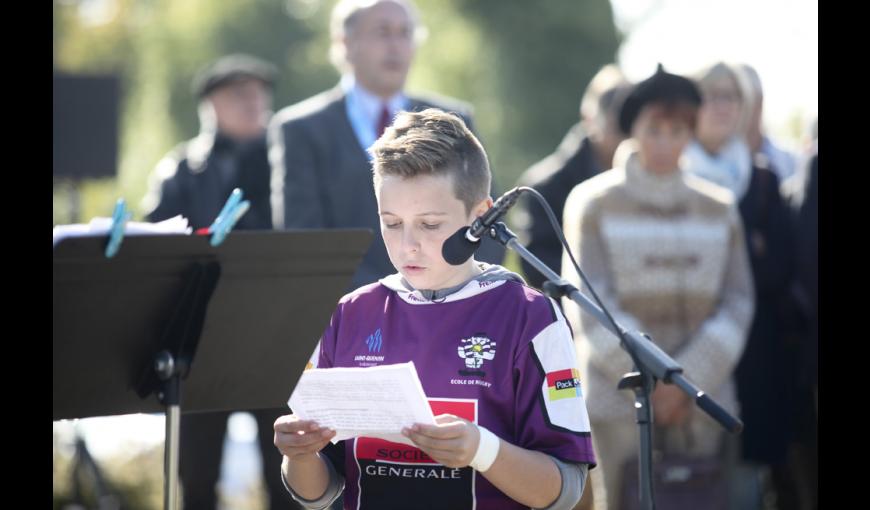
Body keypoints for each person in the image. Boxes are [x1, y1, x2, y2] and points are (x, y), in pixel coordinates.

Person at [273, 109, 596, 510]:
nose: (408, 244)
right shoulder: (349, 315)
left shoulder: (531, 318)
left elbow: (565, 490)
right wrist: (299, 454)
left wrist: (483, 450)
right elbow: (319, 492)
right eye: (391, 223)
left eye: (429, 225)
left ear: (480, 217)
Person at [561, 65, 754, 510]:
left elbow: (739, 302)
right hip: (620, 401)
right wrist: (654, 381)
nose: (666, 142)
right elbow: (590, 303)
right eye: (655, 129)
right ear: (633, 130)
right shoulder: (593, 204)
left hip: (703, 405)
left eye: (678, 130)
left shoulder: (719, 207)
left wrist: (687, 380)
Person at [142, 54, 296, 510]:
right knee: (198, 473)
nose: (253, 103)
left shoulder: (288, 162)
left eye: (258, 93)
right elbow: (156, 247)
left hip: (274, 337)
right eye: (239, 94)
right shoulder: (179, 171)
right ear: (210, 104)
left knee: (288, 473)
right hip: (203, 342)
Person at [268, 0, 501, 290]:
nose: (396, 45)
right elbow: (304, 242)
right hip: (350, 314)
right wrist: (388, 297)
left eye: (405, 33)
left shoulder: (452, 120)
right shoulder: (300, 129)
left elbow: (486, 219)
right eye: (383, 32)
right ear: (346, 43)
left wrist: (453, 291)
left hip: (449, 307)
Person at [514, 64, 630, 289]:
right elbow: (537, 267)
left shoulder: (657, 184)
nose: (628, 134)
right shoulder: (541, 188)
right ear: (589, 118)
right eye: (619, 123)